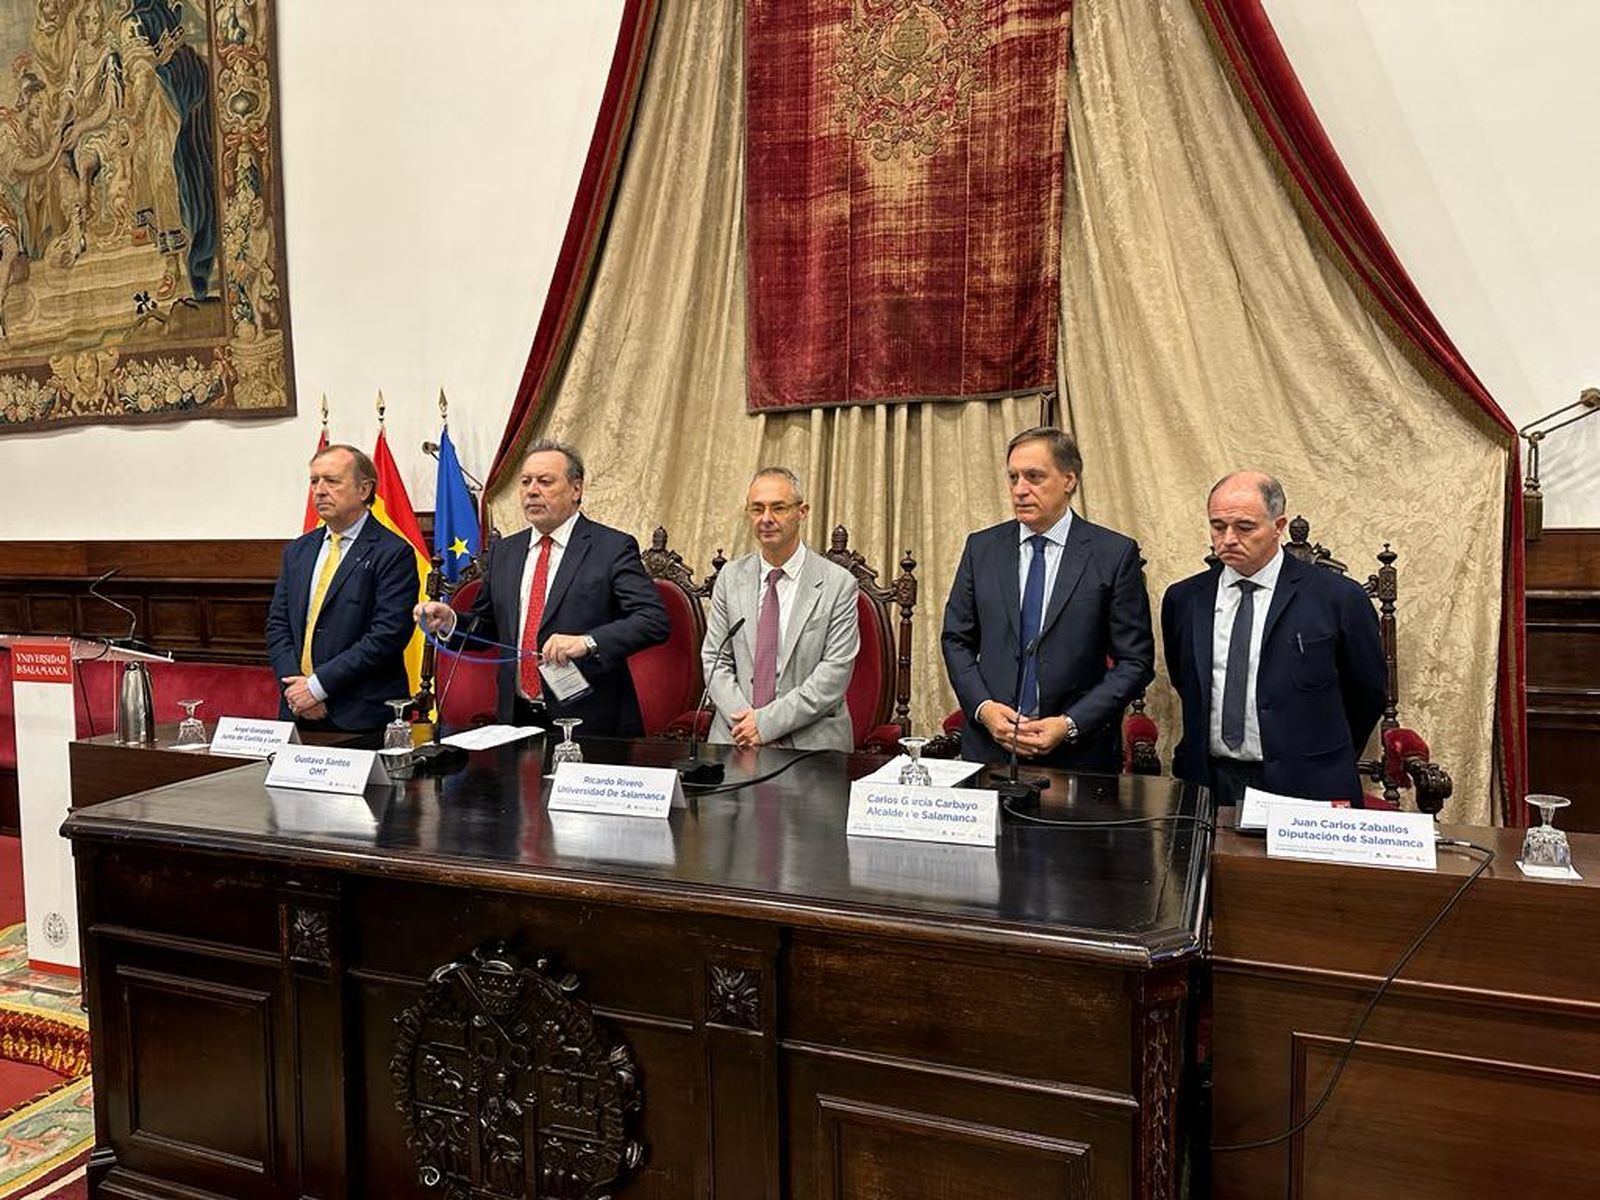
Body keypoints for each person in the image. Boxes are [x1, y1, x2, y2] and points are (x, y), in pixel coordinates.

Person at [1161, 470, 1387, 808]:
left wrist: (1320, 755)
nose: (1228, 538)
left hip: (1308, 784)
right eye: (1218, 526)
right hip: (1209, 781)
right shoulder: (1185, 599)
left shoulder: (1337, 598)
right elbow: (1186, 682)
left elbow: (1366, 693)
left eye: (1245, 527)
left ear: (1278, 527)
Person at [415, 439, 669, 734]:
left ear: (577, 489)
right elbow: (486, 627)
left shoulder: (611, 548)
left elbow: (653, 620)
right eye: (525, 482)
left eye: (545, 481)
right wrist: (451, 621)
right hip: (516, 719)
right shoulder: (505, 552)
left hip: (591, 723)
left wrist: (586, 642)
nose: (532, 491)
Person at [941, 427, 1154, 772]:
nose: (1020, 490)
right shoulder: (982, 549)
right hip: (990, 749)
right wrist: (984, 708)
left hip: (1080, 756)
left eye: (1034, 477)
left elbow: (1135, 661)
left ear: (1069, 479)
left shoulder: (1112, 554)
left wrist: (1069, 723)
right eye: (1013, 478)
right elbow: (956, 639)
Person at [702, 467, 859, 751]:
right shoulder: (730, 577)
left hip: (810, 743)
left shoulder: (838, 585)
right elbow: (715, 659)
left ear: (802, 512)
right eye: (757, 509)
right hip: (735, 736)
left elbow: (833, 676)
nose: (766, 519)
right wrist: (746, 725)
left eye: (778, 508)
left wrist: (766, 724)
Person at [265, 444, 420, 733]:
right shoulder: (298, 551)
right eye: (314, 481)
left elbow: (386, 636)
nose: (319, 490)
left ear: (364, 490)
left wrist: (317, 687)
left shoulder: (393, 552)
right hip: (297, 711)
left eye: (332, 481)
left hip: (360, 715)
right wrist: (297, 690)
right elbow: (278, 625)